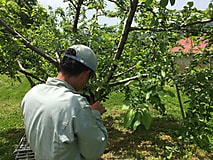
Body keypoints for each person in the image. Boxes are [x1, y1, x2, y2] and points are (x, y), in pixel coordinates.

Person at [21, 44, 108, 160]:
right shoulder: (76, 104)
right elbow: (93, 151)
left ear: (62, 65)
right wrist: (95, 115)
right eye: (89, 78)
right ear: (85, 75)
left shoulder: (32, 94)